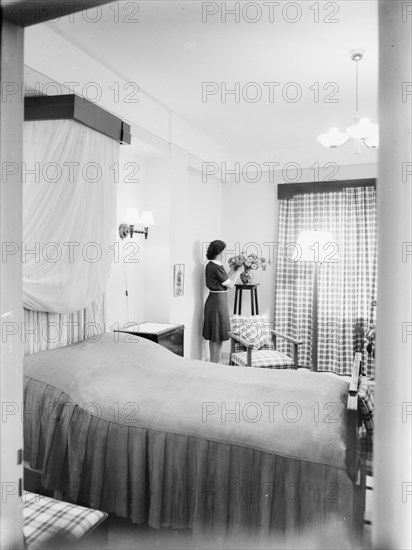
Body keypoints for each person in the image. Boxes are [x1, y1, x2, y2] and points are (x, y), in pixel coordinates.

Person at [202, 240, 242, 363]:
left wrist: (233, 270)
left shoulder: (212, 265)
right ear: (219, 252)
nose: (225, 253)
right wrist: (239, 273)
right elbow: (229, 285)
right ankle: (216, 366)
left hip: (213, 301)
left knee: (213, 336)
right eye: (223, 251)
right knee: (218, 336)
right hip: (218, 303)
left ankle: (212, 364)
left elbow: (224, 279)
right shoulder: (215, 266)